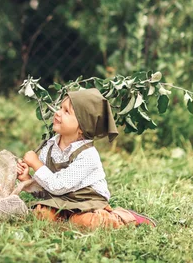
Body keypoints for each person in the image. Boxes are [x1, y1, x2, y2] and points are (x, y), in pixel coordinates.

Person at [16, 88, 156, 229]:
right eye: (60, 108)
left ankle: (121, 217)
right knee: (41, 214)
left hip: (87, 201)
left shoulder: (88, 155)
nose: (57, 113)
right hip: (60, 199)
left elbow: (58, 186)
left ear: (82, 127)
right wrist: (28, 180)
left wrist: (36, 164)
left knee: (85, 222)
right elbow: (47, 189)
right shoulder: (49, 148)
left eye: (66, 111)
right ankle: (65, 217)